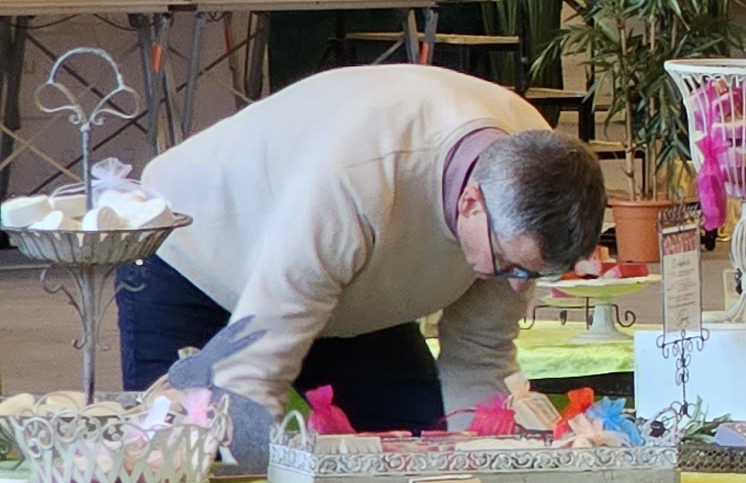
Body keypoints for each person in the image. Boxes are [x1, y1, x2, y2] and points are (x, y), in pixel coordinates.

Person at [118, 64, 607, 431]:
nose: (515, 285)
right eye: (510, 267)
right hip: (198, 258)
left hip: (355, 292)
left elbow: (479, 356)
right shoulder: (358, 177)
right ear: (471, 202)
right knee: (187, 463)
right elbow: (252, 374)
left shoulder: (528, 174)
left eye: (532, 274)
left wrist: (487, 469)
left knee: (420, 447)